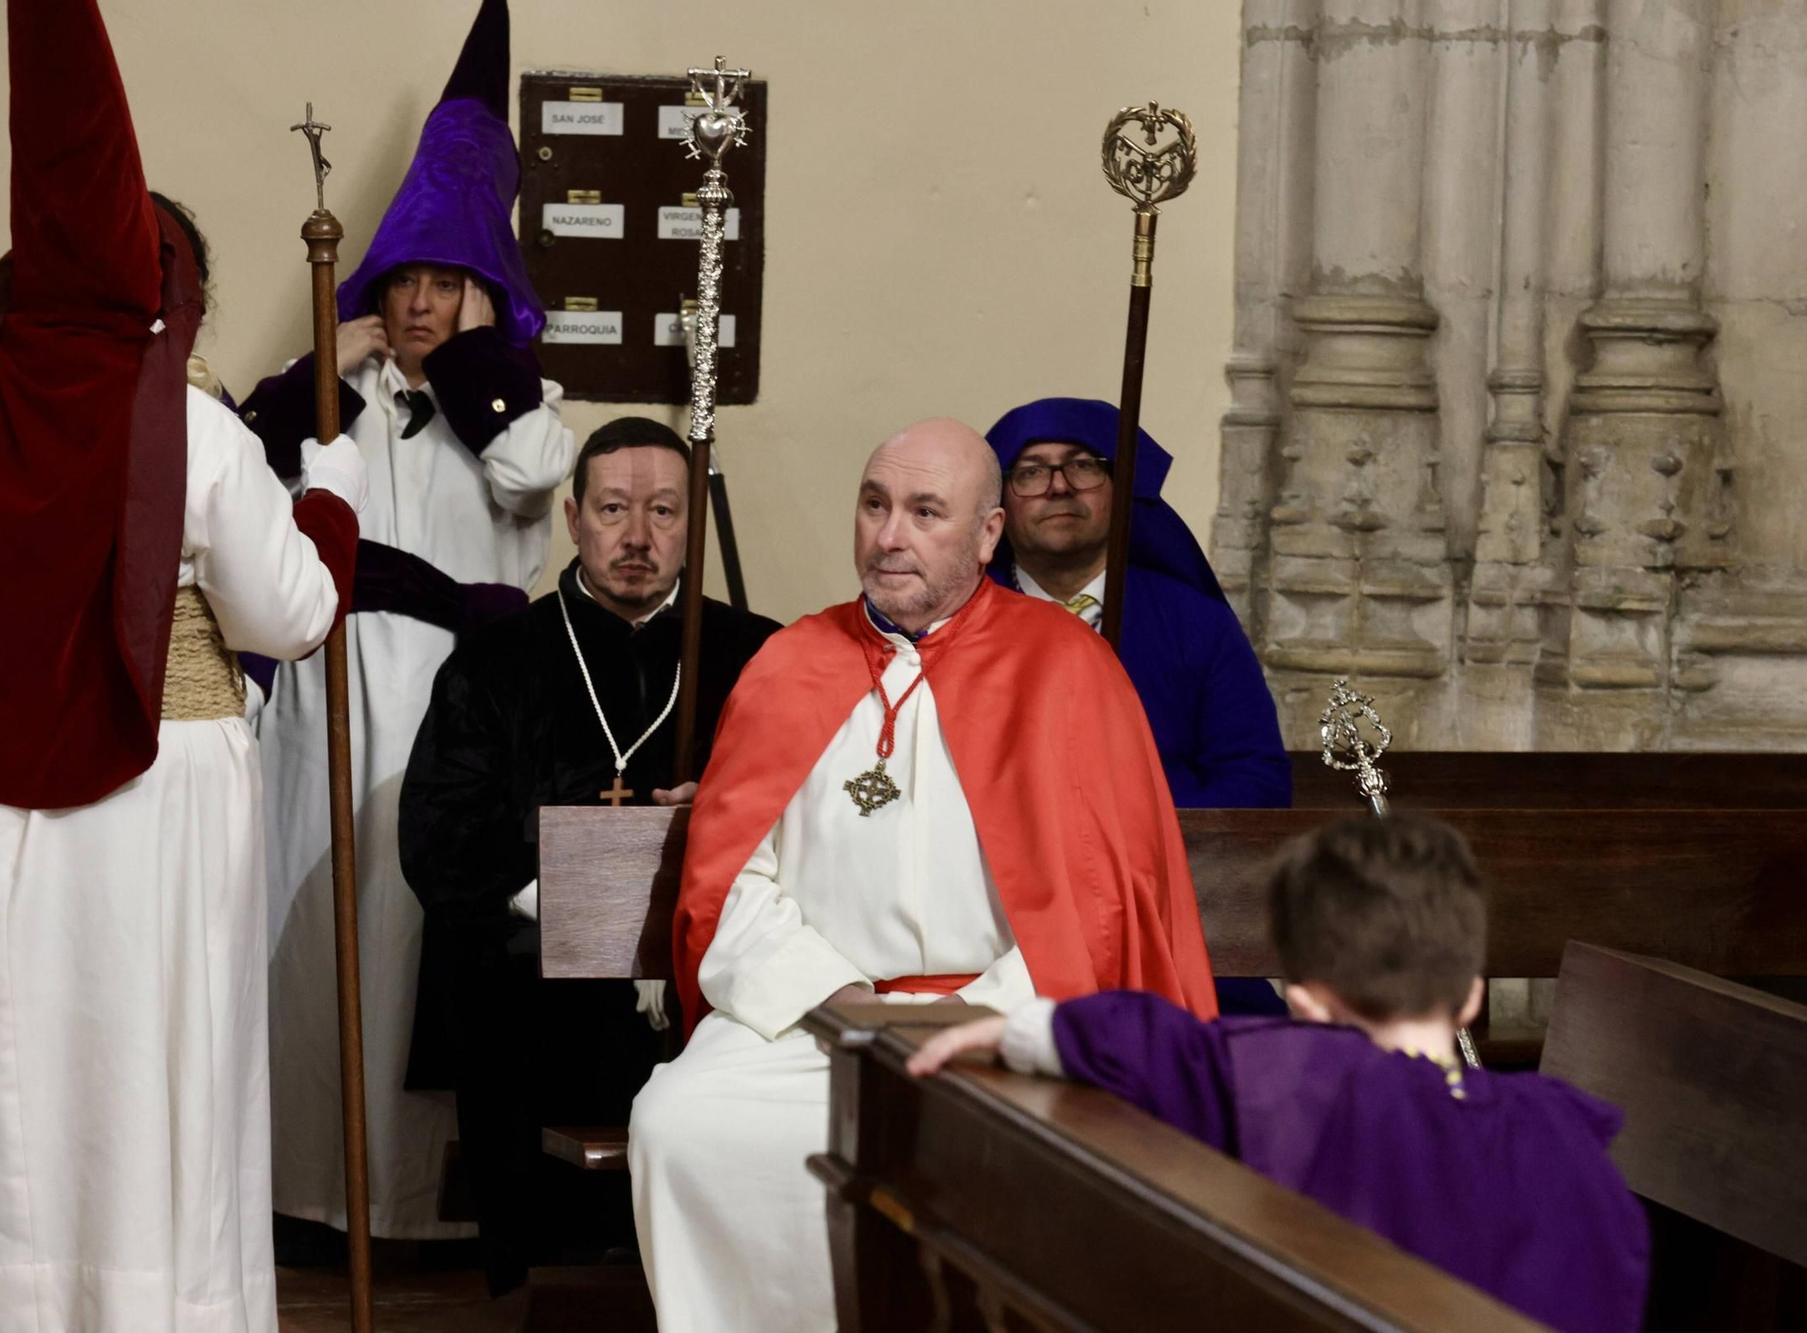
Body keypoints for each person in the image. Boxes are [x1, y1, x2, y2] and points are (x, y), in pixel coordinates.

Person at [0, 2, 363, 1327]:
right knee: (141, 1069)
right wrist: (327, 497)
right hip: (151, 788)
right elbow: (287, 615)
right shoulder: (200, 434)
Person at [627, 417, 1219, 1333]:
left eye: (924, 511)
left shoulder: (1066, 668)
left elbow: (1101, 902)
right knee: (681, 1123)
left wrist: (982, 1013)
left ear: (988, 535)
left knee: (1041, 1154)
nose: (889, 534)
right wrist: (836, 1001)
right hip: (815, 1022)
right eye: (875, 504)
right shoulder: (789, 664)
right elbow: (731, 881)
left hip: (1002, 1023)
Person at [255, 0, 577, 1244]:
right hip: (326, 684)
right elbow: (242, 478)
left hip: (450, 703)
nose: (422, 305)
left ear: (485, 292)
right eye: (407, 282)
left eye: (450, 282)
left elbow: (533, 477)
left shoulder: (516, 404)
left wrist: (481, 368)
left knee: (416, 943)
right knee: (310, 929)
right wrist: (319, 373)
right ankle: (307, 1190)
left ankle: (414, 1206)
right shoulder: (333, 393)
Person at [910, 813, 1651, 1333]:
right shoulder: (1569, 1137)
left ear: (1302, 1003)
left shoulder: (1319, 1080)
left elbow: (1160, 1044)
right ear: (1470, 996)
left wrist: (1026, 1028)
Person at [398, 416, 780, 1294]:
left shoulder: (760, 654)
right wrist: (573, 904)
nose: (638, 538)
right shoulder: (496, 660)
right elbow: (439, 832)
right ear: (573, 517)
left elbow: (805, 813)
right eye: (613, 509)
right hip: (532, 989)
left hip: (706, 972)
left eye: (663, 512)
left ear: (692, 521)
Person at [985, 397, 1288, 808]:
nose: (1059, 486)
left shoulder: (1196, 624)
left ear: (1121, 487)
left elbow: (1256, 779)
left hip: (1165, 861)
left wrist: (1146, 834)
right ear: (999, 504)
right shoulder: (962, 623)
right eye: (1031, 471)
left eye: (1083, 465)